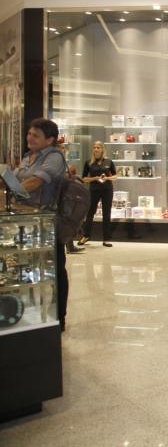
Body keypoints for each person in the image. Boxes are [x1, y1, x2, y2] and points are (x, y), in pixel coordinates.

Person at [13, 118, 68, 330]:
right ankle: (31, 312)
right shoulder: (28, 157)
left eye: (36, 135)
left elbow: (35, 181)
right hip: (25, 220)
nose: (30, 138)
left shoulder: (54, 157)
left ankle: (58, 317)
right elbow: (14, 179)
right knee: (28, 268)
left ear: (49, 139)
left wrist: (12, 192)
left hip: (47, 221)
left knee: (55, 270)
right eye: (29, 133)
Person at [78, 141, 116, 247]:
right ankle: (86, 236)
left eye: (98, 147)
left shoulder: (109, 161)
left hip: (107, 190)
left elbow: (115, 176)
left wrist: (107, 178)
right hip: (94, 190)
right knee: (90, 213)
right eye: (94, 147)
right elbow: (84, 179)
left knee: (106, 214)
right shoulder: (89, 162)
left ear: (102, 149)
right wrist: (94, 178)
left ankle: (106, 239)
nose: (96, 149)